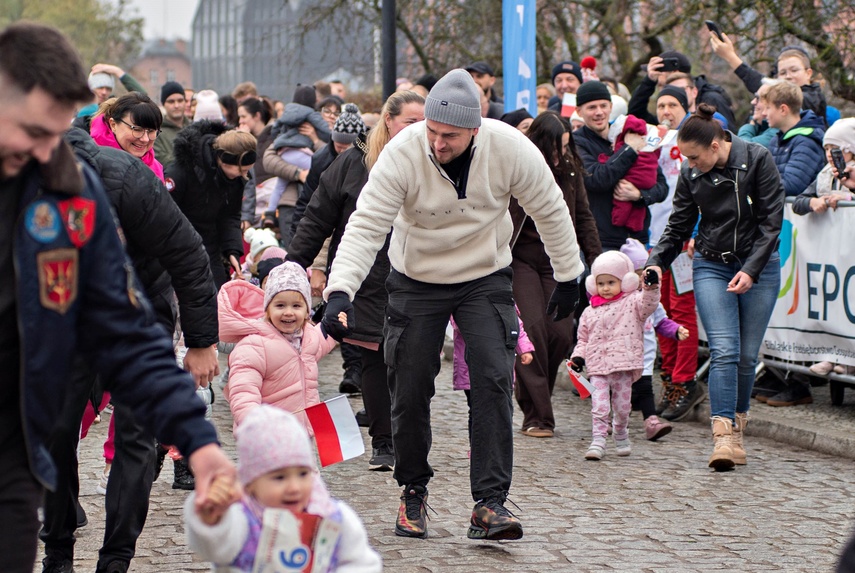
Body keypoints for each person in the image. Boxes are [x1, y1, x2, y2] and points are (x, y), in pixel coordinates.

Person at [0, 21, 235, 573]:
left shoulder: (79, 197)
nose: (42, 150)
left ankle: (110, 559)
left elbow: (130, 326)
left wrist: (198, 440)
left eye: (55, 133)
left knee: (127, 442)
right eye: (31, 130)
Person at [321, 69, 584, 540]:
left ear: (475, 131)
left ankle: (490, 504)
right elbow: (365, 226)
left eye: (451, 136)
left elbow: (551, 207)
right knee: (411, 384)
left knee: (492, 379)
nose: (438, 143)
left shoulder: (511, 149)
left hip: (484, 276)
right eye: (432, 132)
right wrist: (340, 289)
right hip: (415, 278)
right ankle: (413, 492)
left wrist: (568, 275)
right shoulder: (403, 153)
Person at [41, 127, 221, 573]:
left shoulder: (127, 179)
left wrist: (201, 342)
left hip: (140, 304)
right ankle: (58, 551)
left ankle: (116, 558)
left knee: (136, 435)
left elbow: (188, 256)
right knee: (55, 430)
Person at [287, 91, 426, 472]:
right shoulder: (353, 163)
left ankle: (409, 436)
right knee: (375, 357)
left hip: (417, 273)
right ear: (388, 121)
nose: (421, 131)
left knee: (411, 361)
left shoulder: (432, 160)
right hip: (364, 274)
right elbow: (317, 218)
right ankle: (384, 443)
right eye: (411, 122)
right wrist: (292, 267)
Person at [646, 103, 785, 471]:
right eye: (685, 159)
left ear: (715, 145)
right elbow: (678, 225)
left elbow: (773, 223)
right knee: (724, 349)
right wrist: (656, 262)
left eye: (694, 157)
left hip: (760, 266)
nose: (690, 165)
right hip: (711, 262)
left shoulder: (758, 159)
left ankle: (738, 429)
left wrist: (753, 270)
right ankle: (722, 436)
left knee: (746, 356)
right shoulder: (692, 175)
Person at [185, 406, 382, 572]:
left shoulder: (332, 515)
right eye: (279, 477)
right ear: (251, 482)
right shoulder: (242, 518)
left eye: (303, 474)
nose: (294, 487)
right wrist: (212, 519)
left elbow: (362, 562)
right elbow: (214, 548)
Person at [511, 111, 601, 437]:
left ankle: (538, 402)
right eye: (555, 147)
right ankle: (538, 417)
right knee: (532, 332)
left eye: (565, 147)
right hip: (520, 261)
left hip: (558, 261)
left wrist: (598, 260)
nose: (560, 155)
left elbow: (584, 218)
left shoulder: (570, 172)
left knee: (561, 334)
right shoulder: (518, 168)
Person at [218, 262, 341, 430]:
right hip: (266, 435)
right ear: (267, 310)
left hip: (302, 433)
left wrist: (334, 329)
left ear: (307, 311)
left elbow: (320, 343)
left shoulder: (307, 337)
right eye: (280, 305)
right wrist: (254, 422)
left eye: (296, 306)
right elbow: (243, 392)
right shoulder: (254, 346)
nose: (288, 312)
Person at [646, 86, 702, 422]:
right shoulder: (656, 139)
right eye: (662, 104)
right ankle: (668, 380)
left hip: (682, 240)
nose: (666, 110)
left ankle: (685, 380)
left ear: (686, 108)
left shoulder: (692, 141)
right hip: (656, 241)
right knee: (659, 312)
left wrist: (694, 232)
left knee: (682, 313)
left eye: (673, 105)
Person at [570, 250, 660, 460]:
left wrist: (651, 286)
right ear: (593, 284)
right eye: (601, 283)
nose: (606, 288)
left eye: (611, 282)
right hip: (597, 367)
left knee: (621, 408)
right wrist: (578, 357)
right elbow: (583, 339)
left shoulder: (633, 303)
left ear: (626, 281)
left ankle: (620, 431)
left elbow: (649, 303)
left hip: (623, 366)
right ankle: (598, 440)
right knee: (599, 406)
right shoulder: (589, 311)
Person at [792, 118, 855, 379]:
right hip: (835, 255)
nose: (831, 155)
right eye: (827, 148)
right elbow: (797, 202)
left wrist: (850, 194)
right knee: (837, 305)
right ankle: (833, 355)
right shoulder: (826, 175)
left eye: (837, 149)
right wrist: (813, 203)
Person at [572, 81, 669, 251]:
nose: (599, 112)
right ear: (579, 111)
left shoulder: (627, 132)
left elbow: (661, 187)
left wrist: (640, 195)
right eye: (591, 107)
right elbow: (597, 179)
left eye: (603, 105)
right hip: (601, 240)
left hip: (638, 237)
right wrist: (629, 149)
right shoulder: (576, 143)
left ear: (611, 106)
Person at [167, 121, 257, 288]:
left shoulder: (235, 179)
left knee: (216, 296)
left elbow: (230, 214)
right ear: (224, 162)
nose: (245, 176)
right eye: (242, 170)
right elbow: (166, 216)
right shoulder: (181, 172)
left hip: (210, 244)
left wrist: (232, 250)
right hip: (180, 246)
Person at [620, 238, 688, 440]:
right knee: (616, 391)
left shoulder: (653, 300)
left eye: (645, 275)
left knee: (645, 389)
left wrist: (676, 331)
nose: (642, 280)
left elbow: (661, 322)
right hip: (620, 356)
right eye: (637, 275)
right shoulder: (619, 299)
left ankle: (651, 421)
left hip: (645, 357)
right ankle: (608, 419)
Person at [710, 35, 828, 125]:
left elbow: (767, 87)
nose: (788, 76)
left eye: (794, 70)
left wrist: (731, 57)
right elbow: (758, 82)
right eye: (783, 72)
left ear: (808, 73)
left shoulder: (813, 98)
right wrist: (729, 56)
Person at [627, 50, 736, 129]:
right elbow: (635, 113)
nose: (667, 110)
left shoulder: (711, 99)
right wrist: (649, 81)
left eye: (673, 105)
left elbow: (730, 137)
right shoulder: (667, 116)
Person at [760, 80, 826, 196]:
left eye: (768, 108)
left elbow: (791, 186)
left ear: (783, 109)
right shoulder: (776, 141)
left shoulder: (807, 142)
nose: (764, 113)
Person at [89, 92, 164, 181]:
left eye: (151, 131)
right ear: (113, 125)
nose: (145, 139)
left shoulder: (156, 167)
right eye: (137, 129)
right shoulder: (92, 163)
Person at [154, 80, 191, 166]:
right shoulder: (156, 132)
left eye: (180, 100)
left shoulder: (194, 128)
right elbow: (161, 160)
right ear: (163, 104)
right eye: (171, 101)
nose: (176, 105)